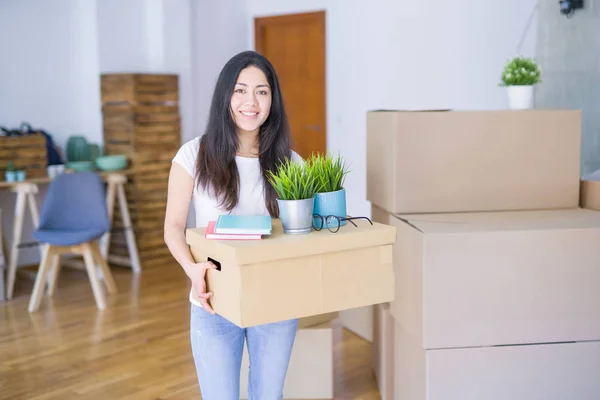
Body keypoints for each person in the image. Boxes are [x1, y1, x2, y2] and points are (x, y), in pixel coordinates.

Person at [164, 50, 302, 399]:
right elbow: (174, 225)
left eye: (261, 91)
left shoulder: (291, 163)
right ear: (225, 95)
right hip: (212, 299)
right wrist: (191, 269)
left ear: (273, 100)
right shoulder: (192, 155)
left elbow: (301, 233)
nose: (250, 101)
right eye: (240, 90)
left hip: (276, 300)